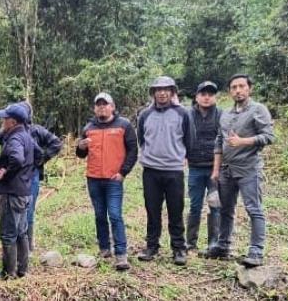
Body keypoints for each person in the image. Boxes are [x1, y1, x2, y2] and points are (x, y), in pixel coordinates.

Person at [209, 74, 275, 267]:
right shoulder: (226, 115)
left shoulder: (258, 110)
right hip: (226, 169)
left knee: (254, 209)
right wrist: (215, 170)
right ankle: (223, 246)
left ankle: (256, 251)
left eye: (241, 86)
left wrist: (243, 141)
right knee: (226, 210)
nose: (238, 90)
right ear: (230, 91)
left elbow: (269, 136)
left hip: (248, 169)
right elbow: (219, 142)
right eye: (234, 87)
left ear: (249, 89)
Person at [0, 101, 62, 251]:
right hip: (11, 175)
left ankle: (26, 248)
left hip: (30, 175)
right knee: (10, 211)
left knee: (28, 210)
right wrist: (1, 164)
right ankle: (18, 251)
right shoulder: (6, 131)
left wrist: (39, 161)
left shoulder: (36, 131)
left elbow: (56, 144)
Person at [76, 93, 138, 270]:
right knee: (99, 215)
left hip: (113, 179)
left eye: (105, 104)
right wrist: (80, 147)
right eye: (98, 105)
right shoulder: (89, 127)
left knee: (115, 215)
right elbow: (81, 155)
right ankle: (104, 248)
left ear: (113, 106)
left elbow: (133, 150)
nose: (102, 107)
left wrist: (123, 172)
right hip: (94, 178)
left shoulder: (123, 125)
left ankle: (121, 255)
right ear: (94, 108)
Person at [136, 76, 192, 265]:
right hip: (151, 171)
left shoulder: (182, 113)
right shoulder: (144, 115)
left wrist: (179, 157)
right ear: (153, 93)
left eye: (166, 89)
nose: (162, 93)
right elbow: (141, 139)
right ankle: (152, 246)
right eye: (158, 90)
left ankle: (178, 248)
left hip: (174, 171)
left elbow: (189, 140)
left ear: (172, 92)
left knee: (176, 210)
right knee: (152, 210)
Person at [0, 103, 36, 279]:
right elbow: (38, 155)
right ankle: (22, 269)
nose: (2, 121)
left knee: (8, 234)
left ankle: (8, 273)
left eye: (5, 118)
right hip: (25, 192)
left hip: (12, 194)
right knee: (21, 232)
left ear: (13, 121)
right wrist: (26, 174)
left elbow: (17, 159)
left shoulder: (15, 139)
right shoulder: (27, 136)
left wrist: (6, 172)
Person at [186, 81, 222, 255]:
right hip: (194, 167)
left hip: (215, 168)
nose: (207, 97)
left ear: (215, 97)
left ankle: (214, 242)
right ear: (197, 96)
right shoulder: (188, 115)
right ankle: (190, 242)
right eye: (203, 94)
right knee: (195, 205)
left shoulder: (222, 115)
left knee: (215, 205)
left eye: (210, 94)